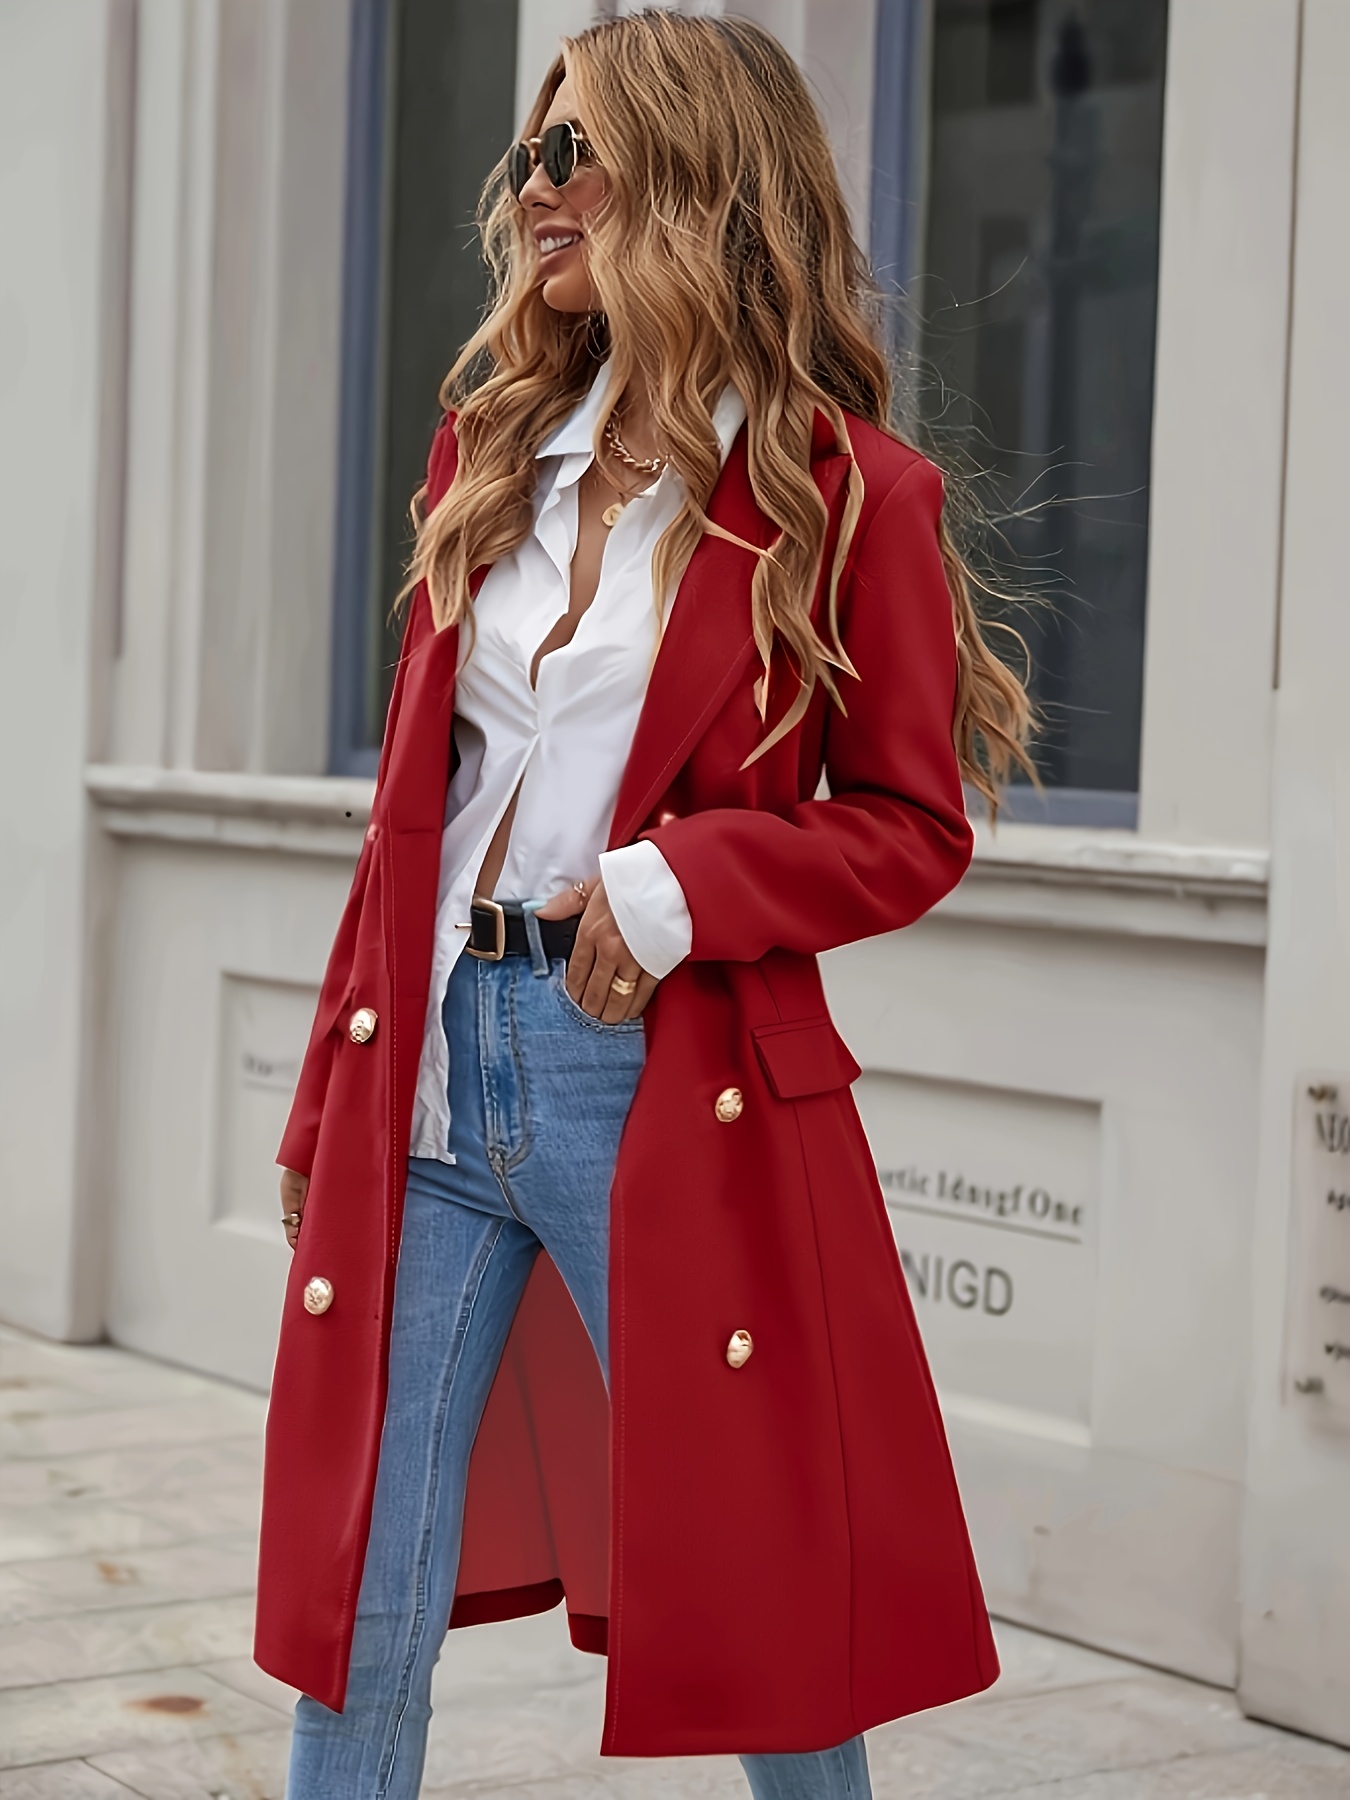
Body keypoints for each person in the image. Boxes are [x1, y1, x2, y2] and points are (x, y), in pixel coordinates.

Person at [256, 12, 1032, 1798]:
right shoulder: (488, 458)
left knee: (760, 1588)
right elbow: (410, 821)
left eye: (572, 152)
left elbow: (911, 825)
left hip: (666, 1087)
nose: (533, 189)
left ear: (692, 177)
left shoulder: (846, 496)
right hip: (443, 1069)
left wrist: (692, 880)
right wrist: (327, 1088)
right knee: (361, 1580)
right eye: (529, 154)